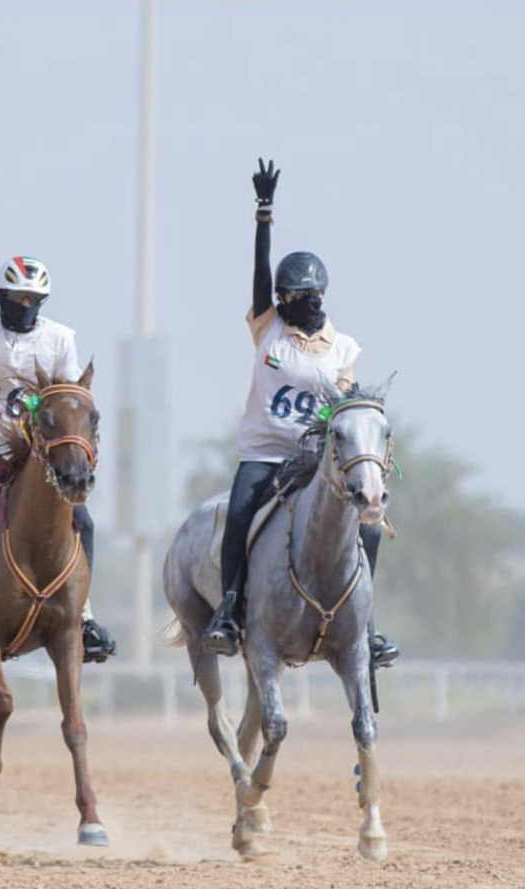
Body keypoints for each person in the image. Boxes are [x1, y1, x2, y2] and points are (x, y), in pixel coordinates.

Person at [203, 158, 399, 668]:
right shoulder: (267, 328)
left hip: (316, 461)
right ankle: (229, 609)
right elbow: (258, 274)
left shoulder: (344, 348)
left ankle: (367, 626)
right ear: (282, 298)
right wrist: (263, 215)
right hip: (264, 453)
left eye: (315, 295)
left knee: (370, 528)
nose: (308, 302)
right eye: (297, 295)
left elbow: (348, 413)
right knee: (240, 516)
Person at [0, 172, 116, 662]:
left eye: (34, 301)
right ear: (3, 299)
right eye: (17, 300)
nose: (25, 307)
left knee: (86, 524)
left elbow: (72, 398)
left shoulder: (59, 339)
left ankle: (85, 616)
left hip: (37, 451)